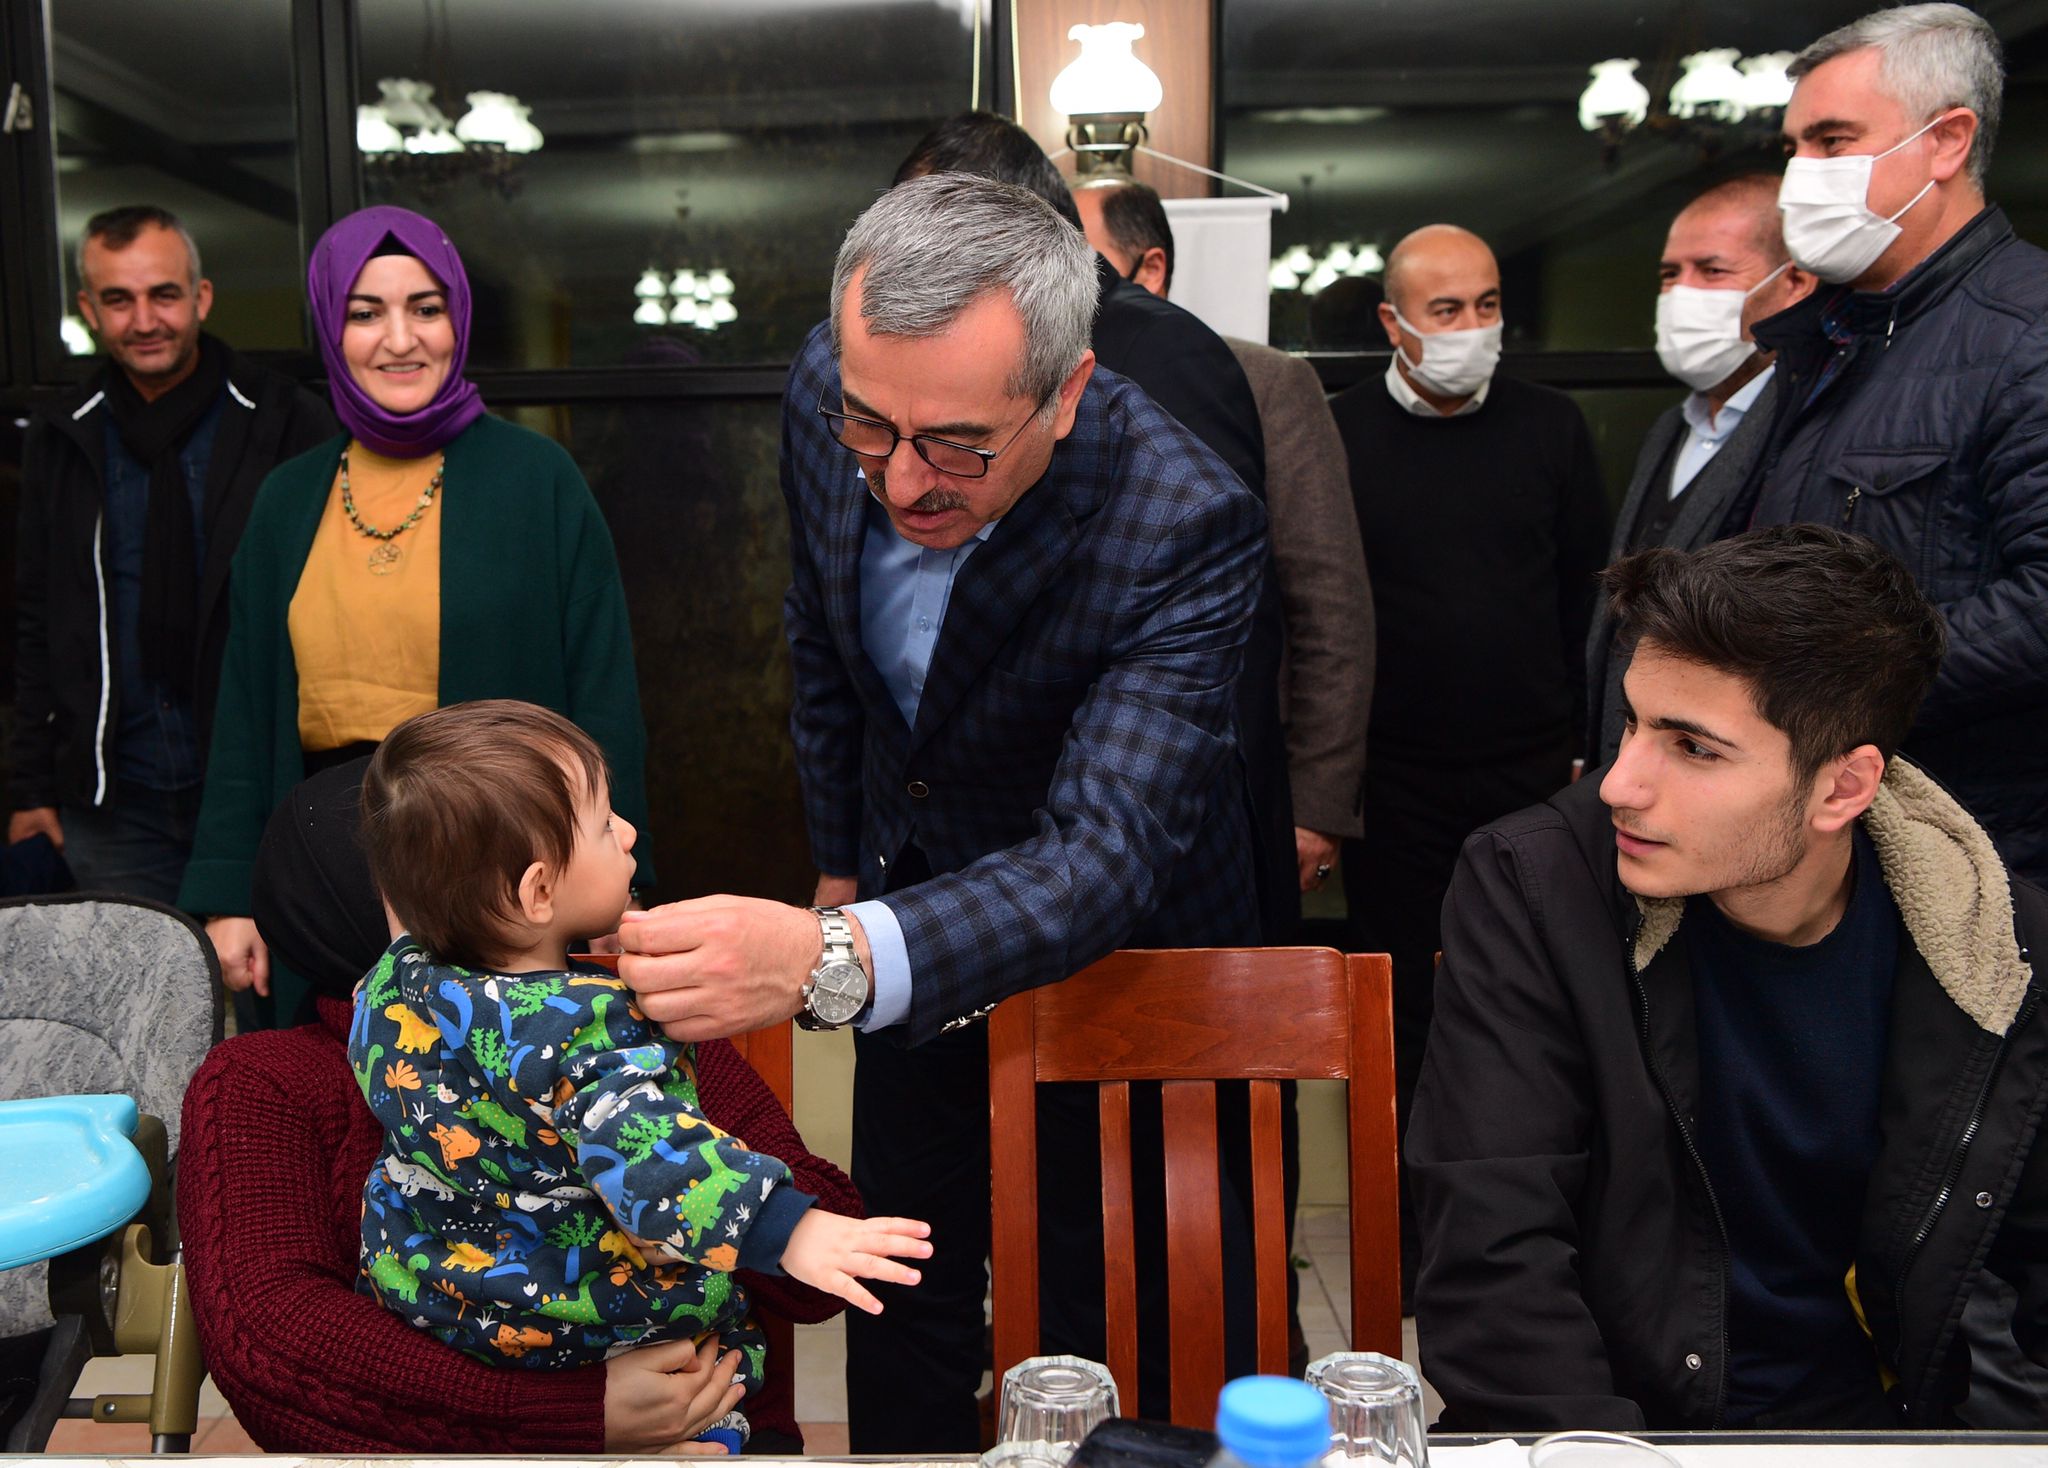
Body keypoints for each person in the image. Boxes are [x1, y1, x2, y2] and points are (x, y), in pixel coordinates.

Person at [617, 173, 1268, 1450]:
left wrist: (830, 956)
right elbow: (819, 632)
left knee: (1096, 1315)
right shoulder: (832, 385)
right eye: (873, 429)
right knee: (898, 1277)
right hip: (906, 894)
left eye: (958, 445)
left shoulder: (1180, 517)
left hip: (1115, 948)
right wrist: (838, 865)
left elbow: (1103, 851)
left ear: (1065, 393)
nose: (902, 480)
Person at [1409, 524, 2048, 1431]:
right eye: (1633, 723)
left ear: (1843, 789)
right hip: (1614, 1433)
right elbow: (1494, 1254)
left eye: (1694, 748)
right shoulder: (1538, 882)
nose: (1621, 784)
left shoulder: (1994, 947)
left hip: (1882, 1436)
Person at [178, 750, 861, 1454]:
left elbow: (817, 1282)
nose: (629, 834)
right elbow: (275, 1349)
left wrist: (685, 1185)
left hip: (708, 1422)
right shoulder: (263, 1082)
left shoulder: (627, 1023)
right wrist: (573, 1415)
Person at [349, 701, 928, 1445]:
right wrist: (790, 1229)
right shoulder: (584, 1030)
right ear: (538, 893)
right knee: (724, 1354)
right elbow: (651, 1156)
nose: (628, 833)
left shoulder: (393, 984)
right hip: (578, 1321)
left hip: (438, 1303)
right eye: (603, 824)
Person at [177, 205, 651, 1028]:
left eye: (425, 308)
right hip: (323, 883)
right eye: (366, 313)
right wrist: (230, 896)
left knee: (501, 1087)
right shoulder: (288, 497)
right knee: (328, 1089)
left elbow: (604, 694)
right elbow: (245, 714)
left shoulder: (538, 479)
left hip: (500, 870)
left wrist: (619, 882)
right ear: (332, 331)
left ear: (458, 319)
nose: (400, 339)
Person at [892, 112, 1296, 944]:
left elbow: (1221, 616)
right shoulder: (871, 369)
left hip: (1135, 858)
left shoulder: (1165, 361)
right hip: (935, 871)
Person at [1326, 222, 1609, 1305]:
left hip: (1536, 776)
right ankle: (1411, 1250)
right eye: (1445, 310)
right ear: (1392, 322)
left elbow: (1589, 600)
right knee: (1403, 1018)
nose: (1472, 329)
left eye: (1487, 306)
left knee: (1535, 1012)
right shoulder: (1339, 431)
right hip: (1393, 786)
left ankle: (1534, 1244)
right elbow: (1314, 613)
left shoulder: (1550, 426)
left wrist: (1590, 752)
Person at [1738, 4, 2048, 883]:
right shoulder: (1838, 337)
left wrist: (1837, 682)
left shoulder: (2027, 330)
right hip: (1838, 834)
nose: (1801, 175)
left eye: (1833, 141)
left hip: (1978, 847)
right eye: (1794, 147)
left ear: (1947, 142)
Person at [10, 205, 335, 901]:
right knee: (132, 975)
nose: (144, 320)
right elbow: (36, 621)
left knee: (269, 973)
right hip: (113, 802)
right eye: (118, 300)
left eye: (163, 294)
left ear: (201, 296)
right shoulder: (62, 437)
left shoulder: (285, 420)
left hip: (258, 787)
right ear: (88, 309)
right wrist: (29, 789)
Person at [1075, 177, 1373, 897]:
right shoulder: (1037, 387)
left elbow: (1328, 603)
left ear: (1148, 270)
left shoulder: (1268, 383)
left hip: (1239, 782)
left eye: (1080, 257)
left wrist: (1316, 804)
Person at [1585, 176, 1814, 764]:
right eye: (1670, 274)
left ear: (1792, 284)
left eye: (1712, 271)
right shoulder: (1670, 427)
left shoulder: (1806, 429)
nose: (1681, 292)